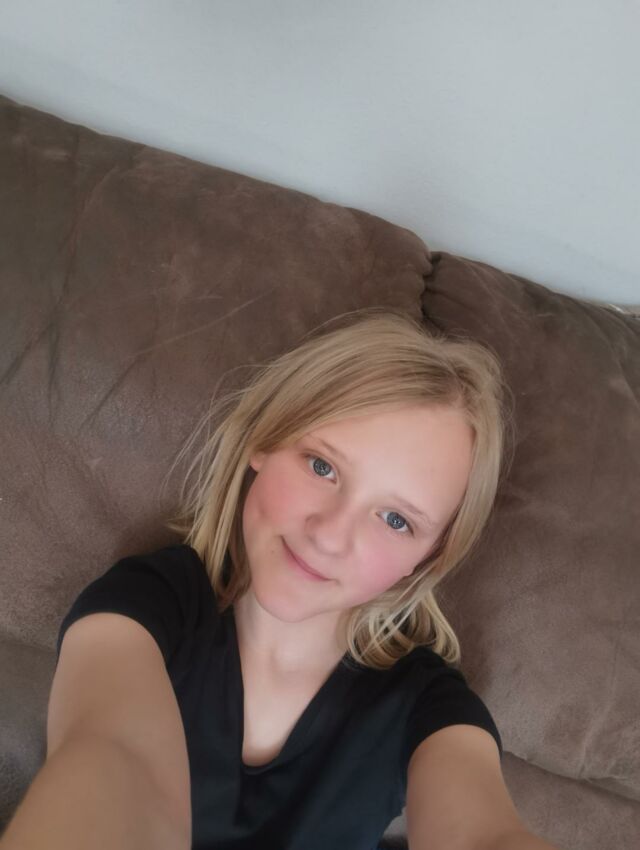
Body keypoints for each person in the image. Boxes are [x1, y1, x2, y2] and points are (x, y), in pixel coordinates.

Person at [1, 307, 560, 850]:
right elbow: (113, 758)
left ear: (429, 556)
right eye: (322, 466)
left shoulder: (428, 703)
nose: (330, 536)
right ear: (263, 442)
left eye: (396, 520)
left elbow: (482, 834)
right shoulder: (146, 603)